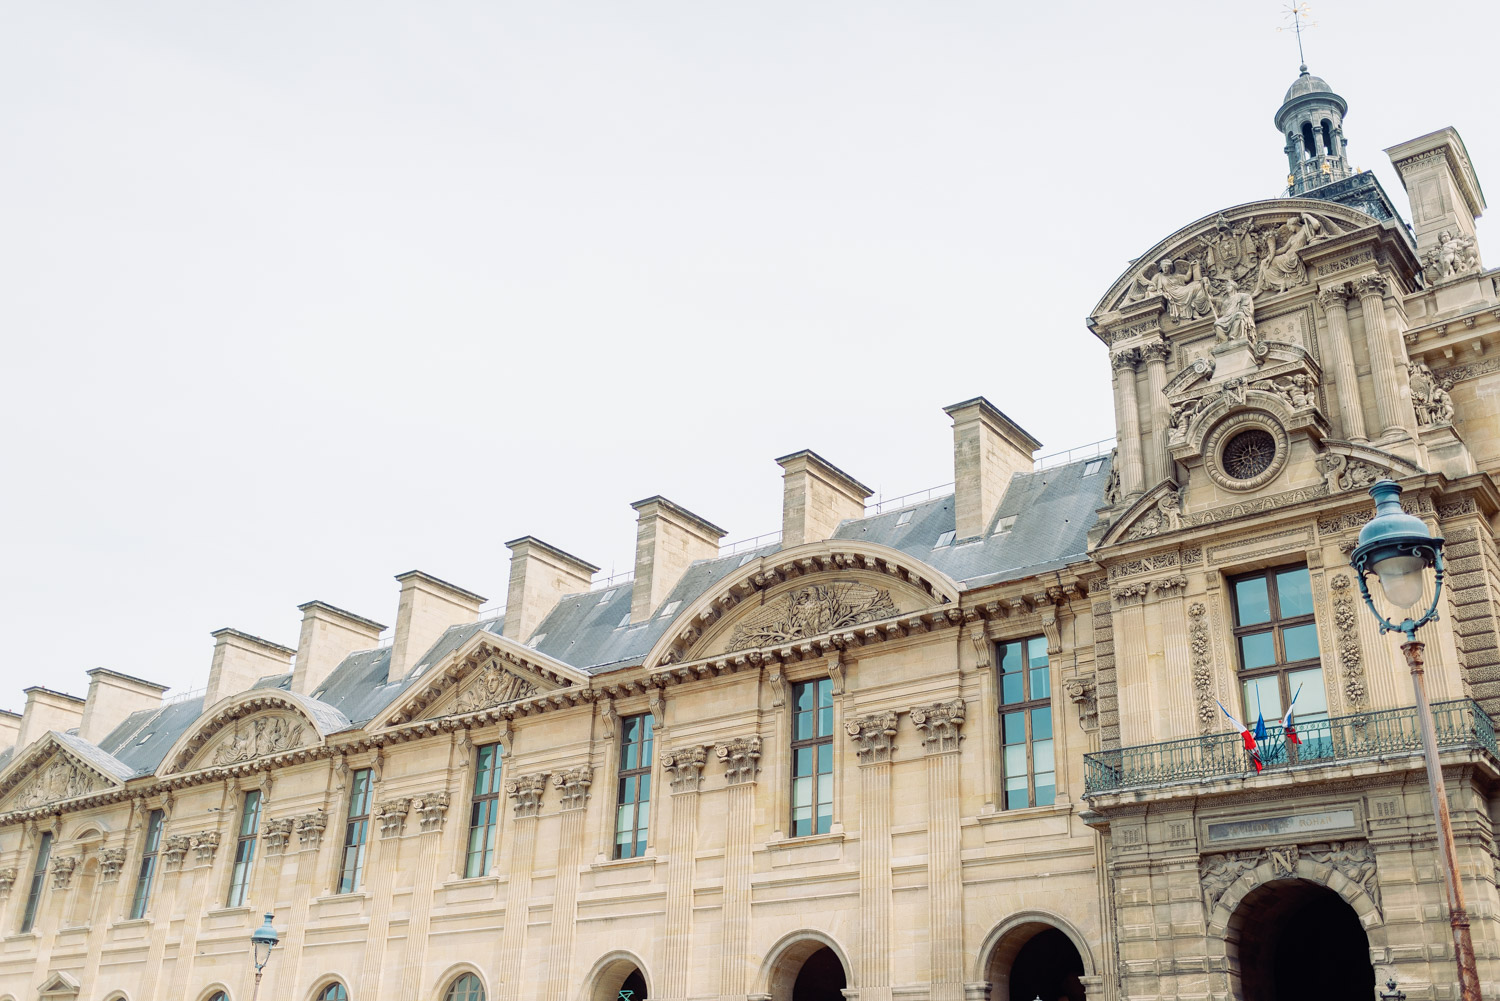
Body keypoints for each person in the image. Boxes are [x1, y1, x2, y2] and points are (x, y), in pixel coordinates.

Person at [1213, 280, 1257, 345]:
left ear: (1234, 287)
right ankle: (1226, 340)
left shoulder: (1243, 296)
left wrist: (1237, 312)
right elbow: (1223, 312)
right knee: (1216, 324)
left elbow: (1246, 308)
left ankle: (1232, 335)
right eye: (1226, 286)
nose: (1227, 287)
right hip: (1227, 318)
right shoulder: (1226, 301)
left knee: (1239, 315)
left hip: (1237, 315)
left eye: (1229, 286)